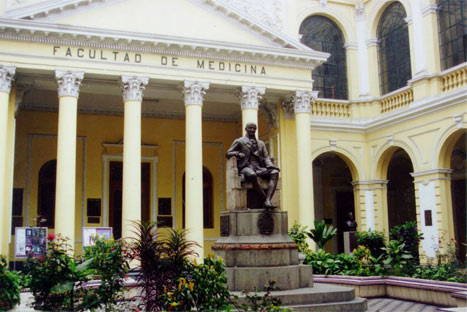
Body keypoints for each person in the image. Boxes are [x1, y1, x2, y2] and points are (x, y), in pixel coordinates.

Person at [226, 122, 279, 208]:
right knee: (252, 175)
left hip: (259, 167)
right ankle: (266, 200)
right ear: (246, 129)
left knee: (275, 172)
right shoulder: (240, 141)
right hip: (246, 167)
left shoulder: (261, 143)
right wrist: (237, 153)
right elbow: (228, 153)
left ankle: (268, 200)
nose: (252, 130)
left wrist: (270, 166)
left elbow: (266, 157)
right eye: (250, 128)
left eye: (254, 128)